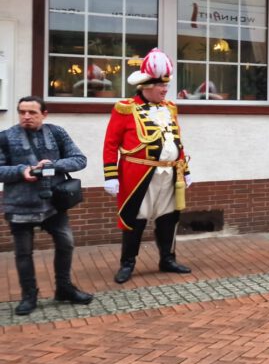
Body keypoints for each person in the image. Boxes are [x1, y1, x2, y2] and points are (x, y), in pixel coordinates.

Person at [103, 49, 193, 284]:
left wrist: (186, 169)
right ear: (145, 86)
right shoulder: (125, 108)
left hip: (170, 173)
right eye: (160, 86)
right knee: (136, 218)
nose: (165, 90)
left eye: (166, 86)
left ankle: (167, 259)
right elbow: (110, 144)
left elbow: (176, 141)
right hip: (139, 174)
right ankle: (128, 263)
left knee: (169, 217)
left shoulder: (170, 108)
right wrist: (110, 175)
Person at [1, 96, 93, 315]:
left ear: (44, 114)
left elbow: (79, 159)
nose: (26, 116)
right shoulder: (5, 137)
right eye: (22, 112)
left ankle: (64, 288)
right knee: (23, 253)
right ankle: (28, 296)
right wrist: (21, 171)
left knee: (66, 244)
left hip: (53, 204)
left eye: (32, 112)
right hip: (19, 205)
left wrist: (54, 165)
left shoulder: (56, 133)